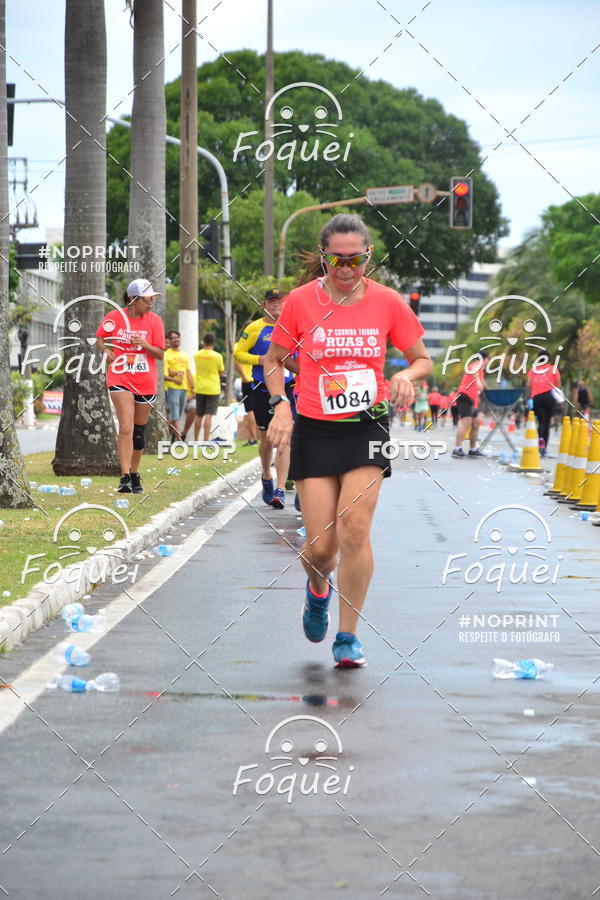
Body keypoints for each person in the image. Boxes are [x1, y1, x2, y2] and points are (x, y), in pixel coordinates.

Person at [265, 213, 431, 667]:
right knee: (322, 547)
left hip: (367, 424)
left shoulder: (387, 302)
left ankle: (347, 635)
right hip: (317, 429)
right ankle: (318, 588)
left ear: (368, 257)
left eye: (355, 259)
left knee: (354, 527)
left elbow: (421, 359)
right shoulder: (300, 302)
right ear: (323, 258)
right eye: (337, 260)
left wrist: (405, 376)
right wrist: (281, 403)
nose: (345, 268)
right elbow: (274, 360)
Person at [96, 278, 165, 493]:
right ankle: (124, 476)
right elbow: (100, 337)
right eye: (147, 299)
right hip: (120, 377)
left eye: (152, 299)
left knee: (138, 432)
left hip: (145, 382)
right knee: (126, 426)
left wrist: (145, 345)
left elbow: (161, 354)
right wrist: (105, 350)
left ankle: (135, 473)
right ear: (133, 299)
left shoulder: (154, 321)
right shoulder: (115, 317)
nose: (150, 303)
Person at [233, 289, 297, 509]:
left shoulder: (293, 325)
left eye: (280, 301)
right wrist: (260, 360)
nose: (277, 305)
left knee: (286, 439)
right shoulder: (255, 328)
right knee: (267, 440)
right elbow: (238, 354)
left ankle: (280, 489)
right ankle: (267, 474)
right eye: (272, 301)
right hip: (261, 389)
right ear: (264, 304)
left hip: (288, 388)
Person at [452, 351, 488, 458]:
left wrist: (488, 389)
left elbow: (484, 383)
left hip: (473, 399)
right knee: (466, 422)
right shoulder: (476, 364)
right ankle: (457, 449)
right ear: (485, 359)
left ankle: (473, 449)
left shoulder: (481, 370)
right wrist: (478, 382)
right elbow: (474, 371)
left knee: (476, 423)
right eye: (487, 361)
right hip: (464, 396)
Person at [526, 360, 561, 456]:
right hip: (550, 397)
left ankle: (540, 440)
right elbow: (558, 384)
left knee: (541, 421)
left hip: (537, 397)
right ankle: (544, 447)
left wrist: (528, 398)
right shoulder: (553, 369)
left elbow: (528, 384)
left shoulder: (533, 369)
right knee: (547, 422)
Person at [164, 329, 193, 443]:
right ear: (169, 341)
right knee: (175, 416)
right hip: (171, 388)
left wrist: (193, 388)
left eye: (178, 338)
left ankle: (169, 439)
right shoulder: (166, 354)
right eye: (173, 338)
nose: (176, 340)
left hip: (184, 388)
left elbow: (188, 372)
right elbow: (166, 371)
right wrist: (175, 377)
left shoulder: (184, 355)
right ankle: (179, 441)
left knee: (177, 416)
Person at [193, 333, 224, 442]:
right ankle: (205, 441)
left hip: (200, 387)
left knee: (199, 415)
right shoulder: (217, 356)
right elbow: (221, 371)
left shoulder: (197, 355)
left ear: (203, 342)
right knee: (209, 415)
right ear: (213, 343)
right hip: (213, 388)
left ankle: (196, 440)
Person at [234, 338, 258, 446]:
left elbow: (237, 364)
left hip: (247, 381)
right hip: (258, 380)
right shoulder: (256, 344)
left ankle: (253, 439)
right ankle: (256, 437)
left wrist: (244, 377)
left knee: (250, 410)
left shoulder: (239, 346)